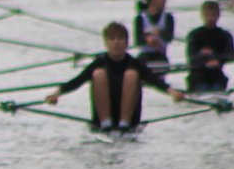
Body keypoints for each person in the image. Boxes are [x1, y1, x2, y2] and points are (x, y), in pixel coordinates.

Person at [46, 22, 181, 132]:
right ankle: (106, 123)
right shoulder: (99, 62)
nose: (116, 43)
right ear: (106, 43)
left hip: (130, 119)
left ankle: (124, 124)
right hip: (102, 118)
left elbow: (155, 81)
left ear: (127, 43)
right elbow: (77, 81)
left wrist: (173, 92)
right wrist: (56, 94)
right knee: (98, 74)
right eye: (112, 39)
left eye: (120, 39)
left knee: (131, 74)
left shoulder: (135, 63)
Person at [185, 0, 234, 93]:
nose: (210, 18)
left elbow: (231, 55)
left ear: (218, 16)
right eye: (207, 15)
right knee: (201, 85)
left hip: (217, 76)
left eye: (213, 15)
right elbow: (191, 56)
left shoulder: (225, 35)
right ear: (202, 15)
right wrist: (204, 58)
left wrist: (217, 59)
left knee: (218, 85)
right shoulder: (194, 35)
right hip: (198, 77)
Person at [131, 0, 179, 71]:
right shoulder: (140, 18)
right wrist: (147, 41)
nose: (165, 1)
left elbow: (169, 38)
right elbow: (138, 41)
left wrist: (160, 34)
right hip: (145, 55)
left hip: (160, 55)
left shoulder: (168, 17)